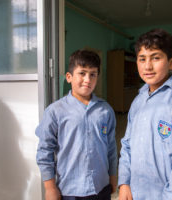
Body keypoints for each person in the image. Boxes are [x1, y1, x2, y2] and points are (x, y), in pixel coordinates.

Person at [118, 29, 172, 200]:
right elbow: (127, 146)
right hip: (135, 192)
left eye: (156, 58)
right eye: (142, 59)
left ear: (171, 63)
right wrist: (124, 183)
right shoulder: (138, 101)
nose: (147, 66)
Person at [36, 50, 117, 200]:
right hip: (70, 190)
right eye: (82, 73)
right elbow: (44, 152)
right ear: (69, 77)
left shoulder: (105, 110)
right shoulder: (55, 111)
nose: (87, 79)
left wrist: (113, 176)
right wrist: (50, 187)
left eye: (93, 74)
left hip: (101, 187)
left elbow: (111, 148)